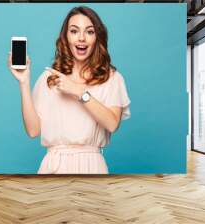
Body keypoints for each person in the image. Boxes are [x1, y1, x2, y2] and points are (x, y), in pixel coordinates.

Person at [8, 6, 130, 174]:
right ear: (66, 37)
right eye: (74, 31)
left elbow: (112, 123)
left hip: (92, 166)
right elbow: (33, 130)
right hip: (53, 166)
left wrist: (80, 92)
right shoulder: (49, 77)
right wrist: (24, 83)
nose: (81, 38)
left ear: (97, 37)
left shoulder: (112, 78)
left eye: (89, 32)